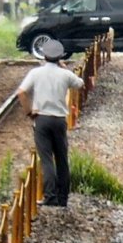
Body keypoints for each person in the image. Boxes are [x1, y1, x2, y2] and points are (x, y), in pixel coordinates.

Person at [16, 39, 84, 207]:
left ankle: (50, 197)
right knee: (62, 159)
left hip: (42, 120)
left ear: (44, 55)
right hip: (60, 120)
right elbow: (80, 84)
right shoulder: (65, 74)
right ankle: (63, 199)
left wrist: (29, 112)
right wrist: (65, 68)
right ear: (60, 56)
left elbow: (22, 92)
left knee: (46, 159)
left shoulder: (35, 73)